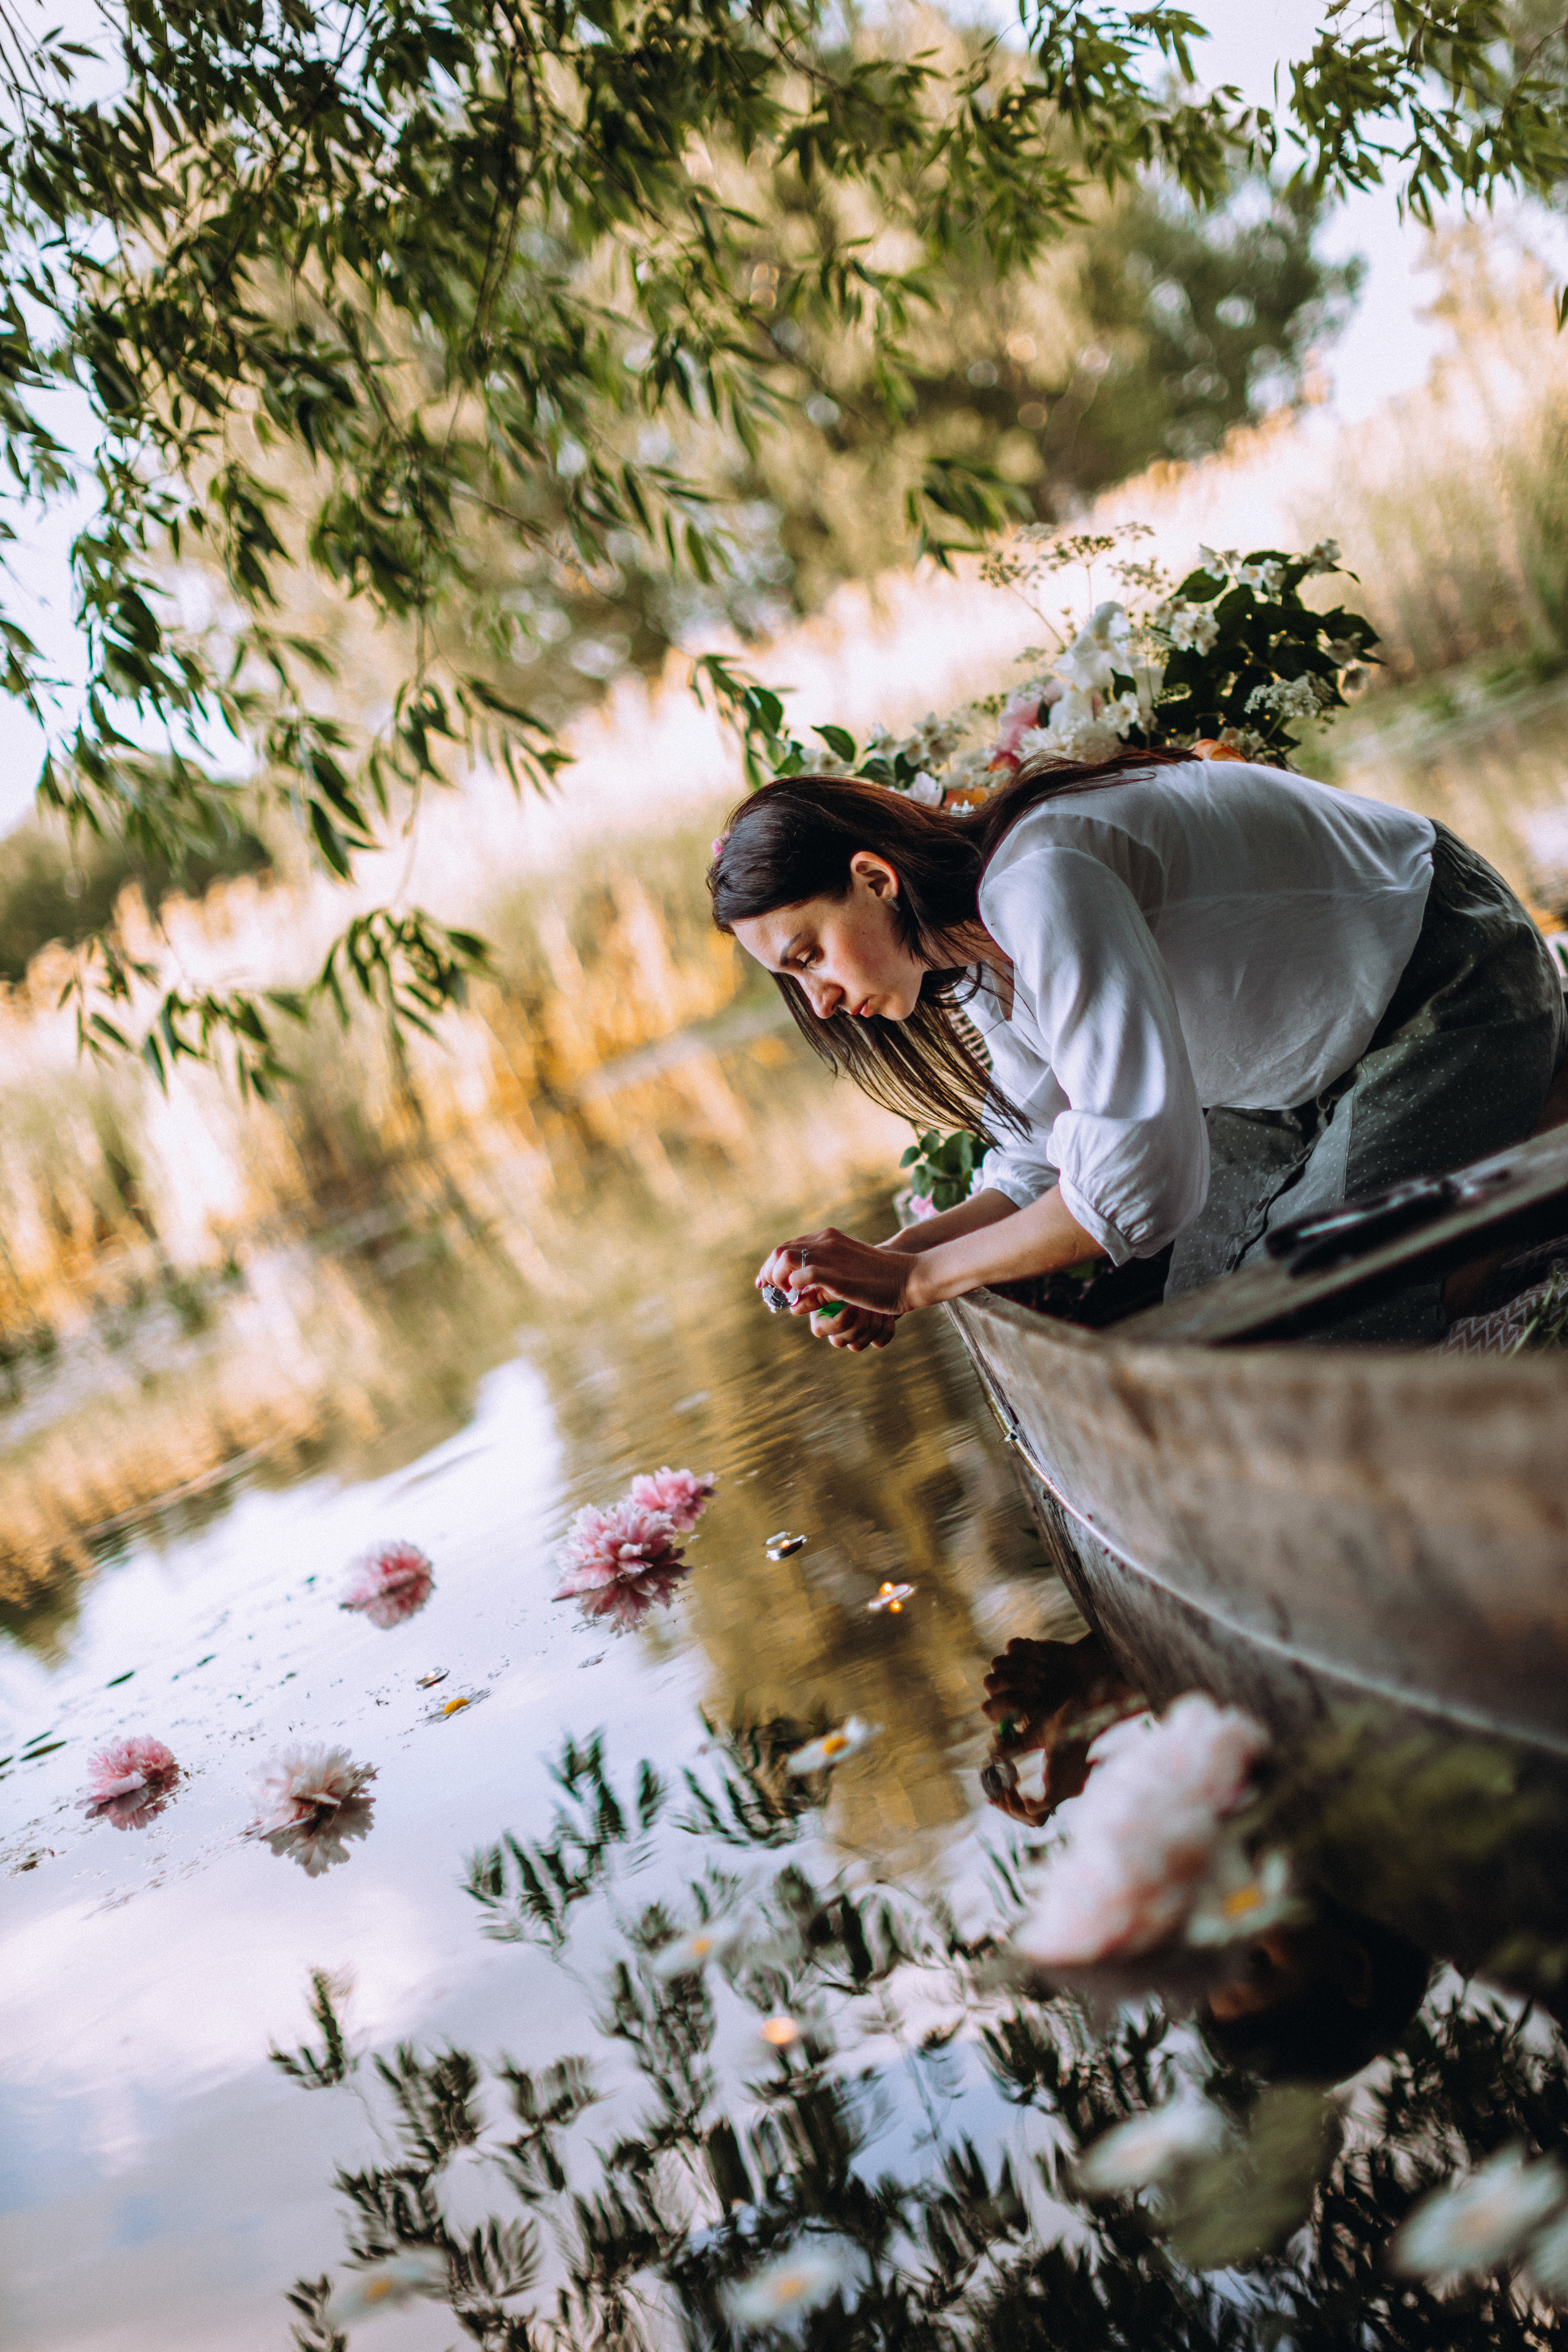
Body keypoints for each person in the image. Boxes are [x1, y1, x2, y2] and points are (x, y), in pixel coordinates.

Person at [710, 754, 1567, 1346]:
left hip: (1444, 977)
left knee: (1312, 1318)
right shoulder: (975, 960)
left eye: (808, 954)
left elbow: (1132, 1183)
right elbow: (1042, 1162)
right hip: (1288, 1068)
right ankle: (1482, 1180)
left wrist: (916, 1284)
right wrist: (894, 1260)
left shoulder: (1040, 882)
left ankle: (1522, 1183)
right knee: (1204, 1325)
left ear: (874, 878)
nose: (819, 999)